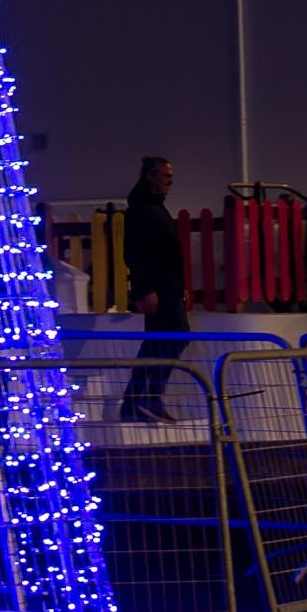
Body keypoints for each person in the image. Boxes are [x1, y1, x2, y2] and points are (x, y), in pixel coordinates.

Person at [120, 155, 188, 424]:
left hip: (167, 286)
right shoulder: (141, 209)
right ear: (150, 176)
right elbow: (136, 253)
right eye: (165, 176)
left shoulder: (154, 207)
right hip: (158, 288)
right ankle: (148, 395)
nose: (170, 181)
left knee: (158, 340)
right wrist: (145, 289)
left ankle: (137, 399)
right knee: (174, 337)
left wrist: (179, 286)